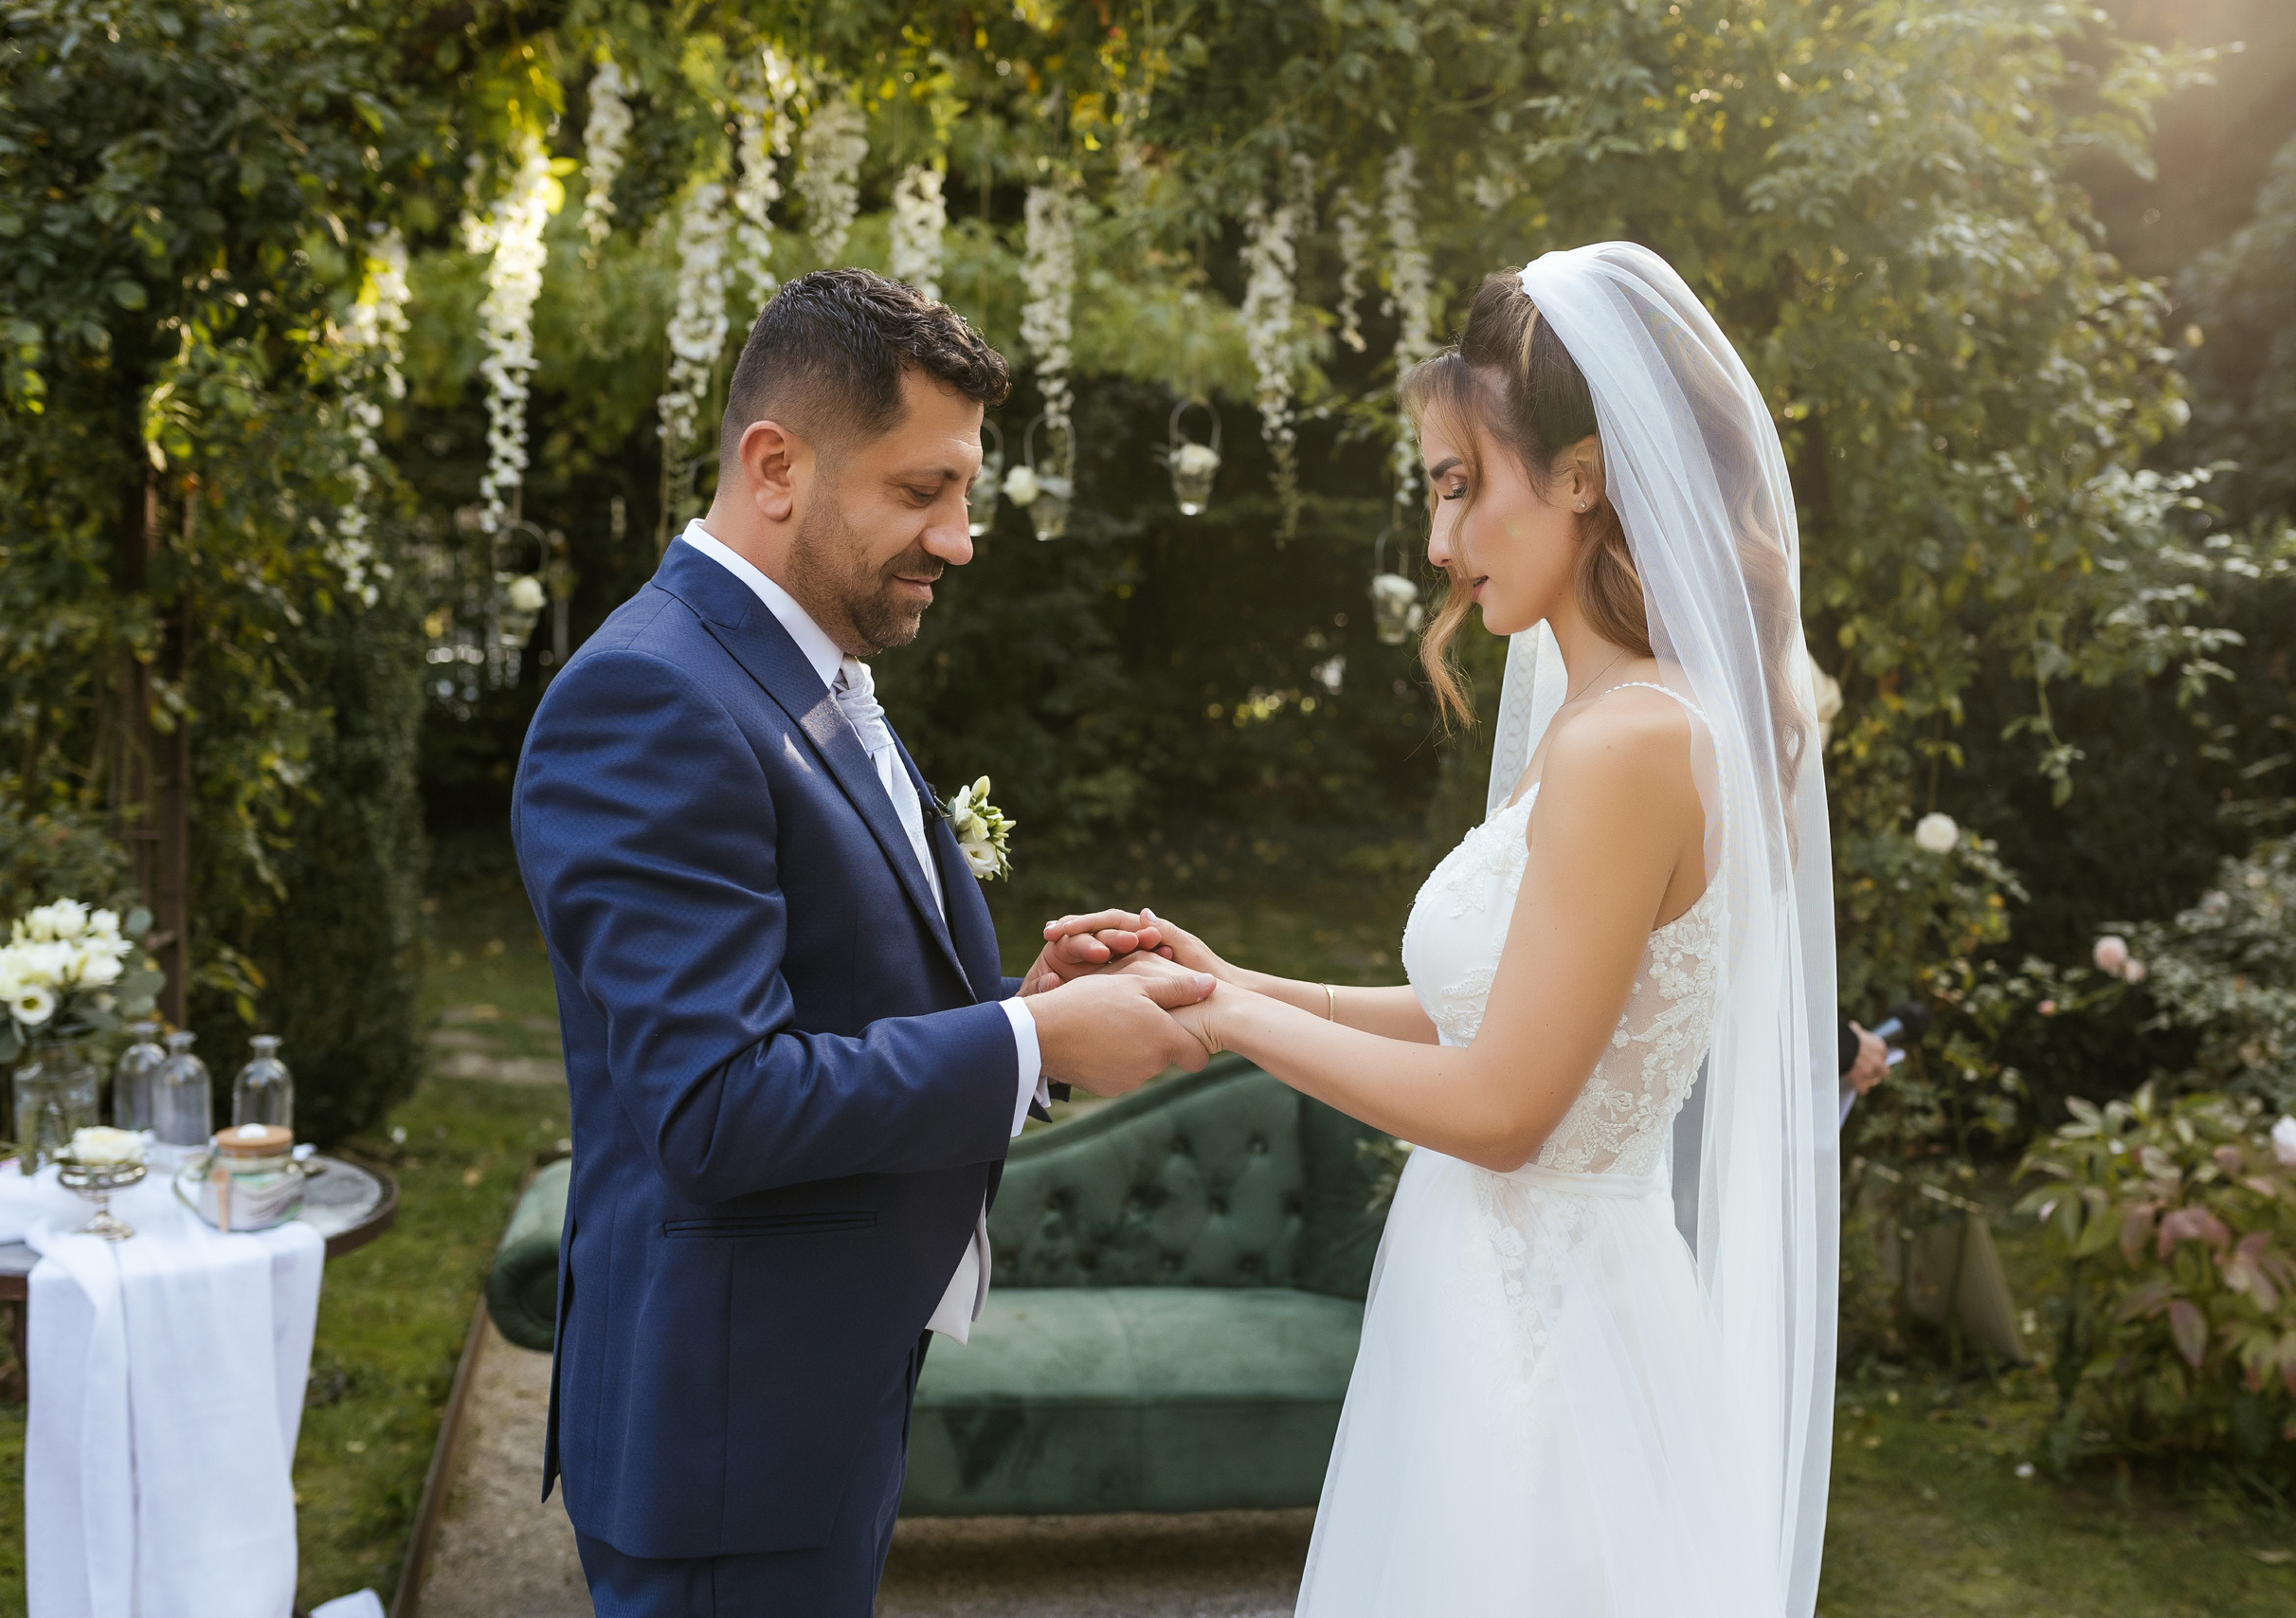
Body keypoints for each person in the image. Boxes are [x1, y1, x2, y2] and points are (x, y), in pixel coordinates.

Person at [1110, 246, 1840, 1616]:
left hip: (1548, 1346)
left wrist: (1224, 1026)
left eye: (1458, 487)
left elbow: (1505, 1107)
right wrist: (1229, 975)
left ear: (1581, 475)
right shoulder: (1607, 717)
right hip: (1491, 1296)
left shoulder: (1631, 743)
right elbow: (1490, 1019)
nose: (1439, 545)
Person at [512, 269, 1213, 1617]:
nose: (958, 538)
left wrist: (1022, 1010)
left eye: (963, 495)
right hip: (726, 1439)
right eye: (921, 492)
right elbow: (715, 1106)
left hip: (809, 1403)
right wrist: (1028, 1041)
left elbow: (825, 1008)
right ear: (775, 466)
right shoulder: (647, 698)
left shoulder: (792, 666)